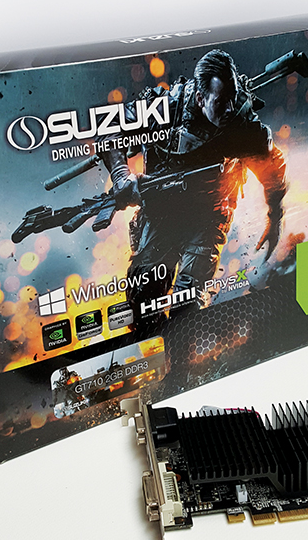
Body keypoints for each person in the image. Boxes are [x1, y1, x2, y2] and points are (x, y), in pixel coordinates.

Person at [99, 49, 287, 331]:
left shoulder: (240, 125)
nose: (229, 109)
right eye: (220, 102)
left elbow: (272, 168)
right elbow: (110, 129)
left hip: (208, 215)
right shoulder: (164, 108)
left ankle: (184, 355)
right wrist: (121, 176)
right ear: (200, 98)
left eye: (233, 99)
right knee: (142, 304)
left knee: (186, 304)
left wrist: (275, 218)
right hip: (160, 213)